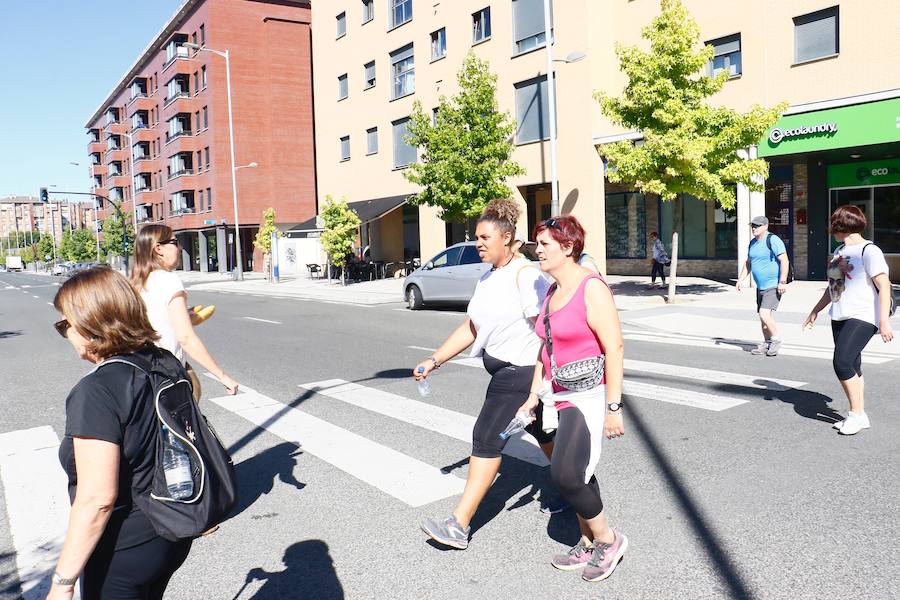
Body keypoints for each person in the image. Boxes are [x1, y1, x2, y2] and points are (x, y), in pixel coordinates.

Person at [48, 267, 193, 599]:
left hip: (124, 546)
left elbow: (97, 500)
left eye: (64, 324)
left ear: (89, 324)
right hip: (170, 528)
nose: (65, 333)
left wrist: (62, 583)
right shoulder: (164, 361)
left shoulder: (96, 391)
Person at [417, 198, 554, 549]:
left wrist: (538, 387)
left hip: (520, 374)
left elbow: (547, 329)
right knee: (545, 435)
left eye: (484, 238)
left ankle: (458, 525)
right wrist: (435, 359)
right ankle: (579, 489)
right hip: (506, 374)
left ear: (507, 237)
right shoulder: (490, 276)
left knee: (486, 437)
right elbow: (472, 328)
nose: (478, 243)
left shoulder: (526, 275)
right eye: (476, 237)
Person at [519, 215, 628, 583]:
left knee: (565, 475)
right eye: (537, 243)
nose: (538, 250)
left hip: (590, 395)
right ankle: (588, 540)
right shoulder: (552, 291)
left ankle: (609, 540)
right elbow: (545, 349)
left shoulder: (590, 287)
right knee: (580, 471)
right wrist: (533, 395)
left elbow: (613, 346)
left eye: (545, 244)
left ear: (568, 247)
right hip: (560, 395)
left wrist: (614, 407)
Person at [803, 205, 894, 435]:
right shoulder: (839, 251)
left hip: (863, 315)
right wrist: (815, 311)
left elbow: (885, 286)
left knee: (841, 362)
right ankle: (859, 413)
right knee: (853, 365)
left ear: (841, 225)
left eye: (834, 223)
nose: (831, 229)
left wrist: (883, 321)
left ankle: (856, 414)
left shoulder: (869, 251)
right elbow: (833, 287)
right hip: (840, 314)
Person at [131, 224, 238, 398]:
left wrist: (184, 316)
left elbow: (154, 323)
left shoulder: (137, 283)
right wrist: (223, 376)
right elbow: (185, 338)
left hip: (143, 375)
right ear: (159, 249)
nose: (179, 248)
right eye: (174, 242)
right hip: (167, 376)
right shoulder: (168, 280)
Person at [736, 216, 790, 356]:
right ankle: (766, 343)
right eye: (753, 226)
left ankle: (776, 340)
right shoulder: (752, 243)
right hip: (760, 286)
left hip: (773, 285)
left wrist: (782, 281)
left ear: (765, 226)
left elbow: (784, 260)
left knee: (764, 313)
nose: (754, 228)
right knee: (763, 317)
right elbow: (748, 263)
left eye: (757, 226)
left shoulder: (773, 240)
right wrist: (740, 279)